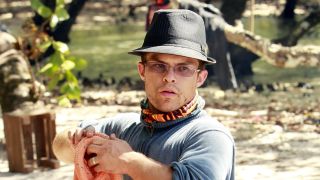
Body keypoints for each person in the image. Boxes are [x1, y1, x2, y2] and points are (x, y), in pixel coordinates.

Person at [69, 9, 235, 180]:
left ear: (200, 78)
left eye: (183, 69)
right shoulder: (125, 127)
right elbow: (60, 146)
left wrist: (128, 161)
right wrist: (83, 139)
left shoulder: (209, 135)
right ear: (142, 71)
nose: (169, 77)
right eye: (158, 66)